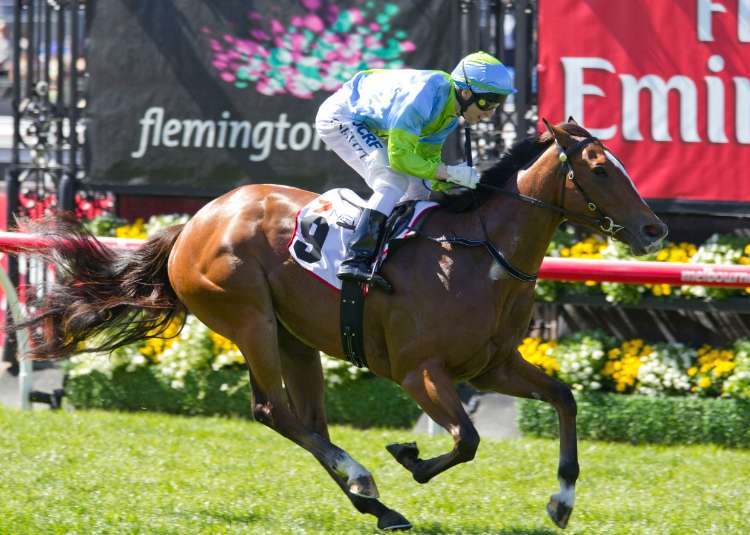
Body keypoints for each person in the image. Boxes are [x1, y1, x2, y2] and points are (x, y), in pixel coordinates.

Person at [314, 51, 516, 289]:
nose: (491, 112)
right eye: (488, 101)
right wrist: (449, 172)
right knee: (392, 180)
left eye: (497, 103)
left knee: (419, 190)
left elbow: (426, 165)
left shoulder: (450, 117)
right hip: (343, 116)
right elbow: (400, 159)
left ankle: (396, 258)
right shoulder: (424, 95)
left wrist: (452, 179)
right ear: (465, 92)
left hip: (369, 124)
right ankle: (356, 258)